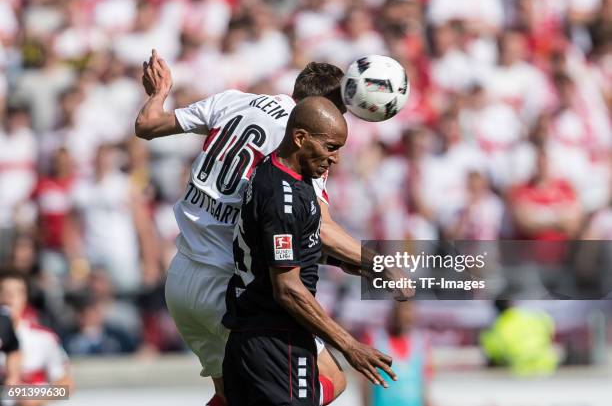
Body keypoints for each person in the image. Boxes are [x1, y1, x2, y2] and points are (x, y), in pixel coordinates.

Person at [135, 49, 386, 406]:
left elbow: (147, 126)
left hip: (180, 280)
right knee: (330, 378)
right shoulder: (300, 140)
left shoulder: (234, 100)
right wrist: (380, 264)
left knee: (231, 395)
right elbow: (322, 228)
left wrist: (159, 93)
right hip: (228, 287)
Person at [223, 96, 396, 406]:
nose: (336, 158)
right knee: (336, 379)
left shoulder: (279, 174)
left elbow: (275, 251)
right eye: (330, 147)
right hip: (279, 342)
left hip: (249, 337)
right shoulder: (283, 197)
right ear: (300, 138)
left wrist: (333, 260)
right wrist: (349, 345)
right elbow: (287, 289)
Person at [0, 271, 73, 403]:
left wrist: (32, 396)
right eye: (3, 291)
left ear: (25, 298)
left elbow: (66, 387)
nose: (8, 298)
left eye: (16, 292)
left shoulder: (44, 338)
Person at [361, 302, 433, 406]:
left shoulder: (420, 342)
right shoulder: (376, 340)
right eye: (401, 311)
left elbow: (424, 382)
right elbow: (365, 382)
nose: (404, 316)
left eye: (408, 311)